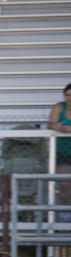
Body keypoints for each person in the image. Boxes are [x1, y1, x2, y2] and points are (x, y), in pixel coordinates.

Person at [48, 83, 71, 222]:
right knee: (64, 185)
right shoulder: (59, 107)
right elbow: (50, 124)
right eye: (67, 95)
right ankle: (65, 218)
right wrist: (56, 126)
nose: (70, 98)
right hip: (63, 152)